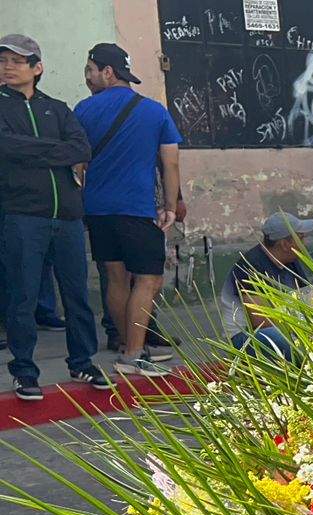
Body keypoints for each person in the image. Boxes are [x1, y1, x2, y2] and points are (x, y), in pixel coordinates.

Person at [0, 34, 110, 399]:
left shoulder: (58, 109)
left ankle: (82, 362)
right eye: (3, 60)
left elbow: (82, 149)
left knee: (77, 295)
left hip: (67, 217)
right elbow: (6, 145)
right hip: (22, 215)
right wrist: (56, 152)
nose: (8, 66)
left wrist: (36, 152)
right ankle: (25, 371)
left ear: (37, 68)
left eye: (17, 60)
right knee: (23, 296)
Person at [75, 42, 180, 377]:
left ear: (108, 72)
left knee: (116, 277)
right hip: (136, 208)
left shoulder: (82, 110)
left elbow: (77, 165)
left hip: (97, 209)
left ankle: (127, 344)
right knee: (148, 279)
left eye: (91, 70)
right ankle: (134, 355)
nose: (88, 76)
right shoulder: (155, 112)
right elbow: (171, 164)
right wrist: (170, 206)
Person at [220, 213, 313, 360]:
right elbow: (262, 322)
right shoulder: (250, 266)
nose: (306, 243)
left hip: (285, 327)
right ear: (285, 244)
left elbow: (306, 299)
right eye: (301, 238)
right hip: (245, 337)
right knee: (290, 344)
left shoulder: (291, 261)